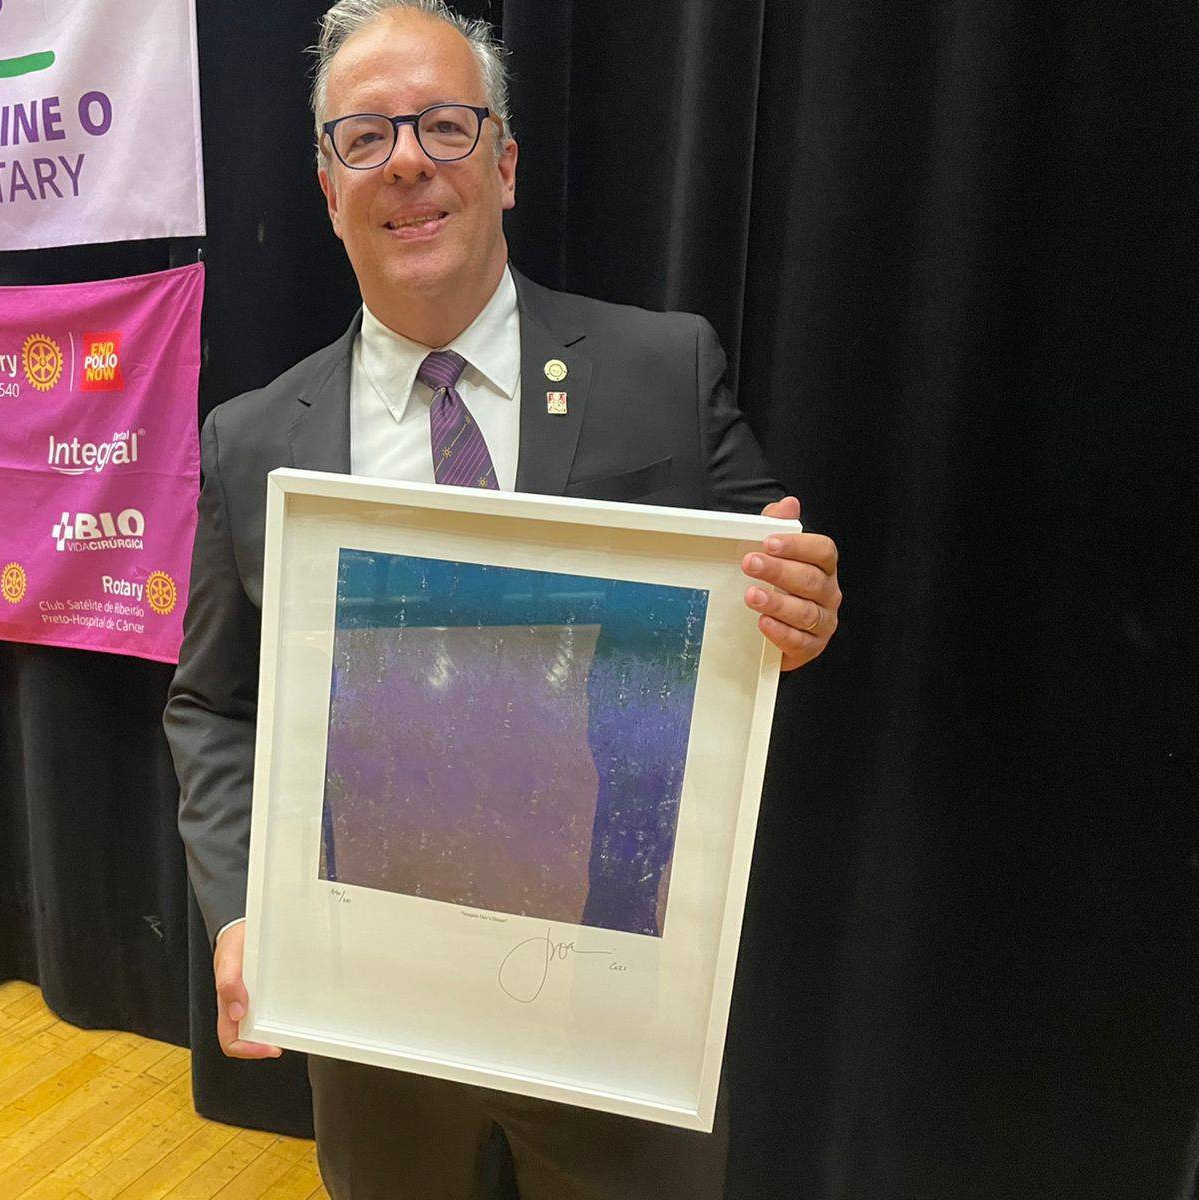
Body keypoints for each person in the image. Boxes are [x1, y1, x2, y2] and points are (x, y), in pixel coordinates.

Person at [164, 2, 843, 1196]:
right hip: (374, 1010)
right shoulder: (251, 441)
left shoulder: (663, 372)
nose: (409, 159)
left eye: (444, 123)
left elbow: (763, 587)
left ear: (507, 163)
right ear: (326, 189)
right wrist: (234, 910)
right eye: (364, 137)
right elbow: (213, 708)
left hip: (618, 1002)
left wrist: (797, 610)